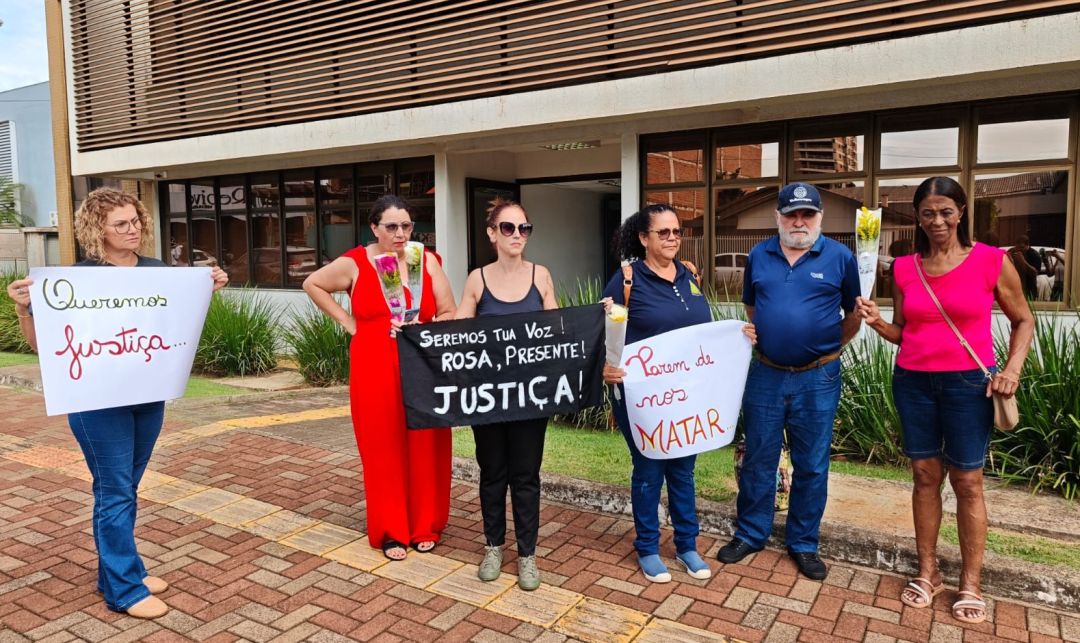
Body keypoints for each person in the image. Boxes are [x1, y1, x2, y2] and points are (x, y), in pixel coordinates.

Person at [5, 187, 229, 619]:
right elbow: (42, 348)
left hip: (147, 396)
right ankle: (124, 590)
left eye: (136, 220)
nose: (133, 229)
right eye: (120, 224)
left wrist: (208, 289)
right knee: (114, 491)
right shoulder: (76, 280)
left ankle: (120, 572)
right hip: (96, 403)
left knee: (126, 487)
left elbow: (173, 321)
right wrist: (24, 309)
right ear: (98, 230)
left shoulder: (157, 271)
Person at [856, 177, 1033, 624]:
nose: (937, 221)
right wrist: (876, 322)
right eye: (928, 213)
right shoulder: (904, 268)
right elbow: (905, 333)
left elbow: (1024, 320)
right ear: (917, 218)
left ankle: (971, 582)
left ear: (961, 213)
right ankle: (928, 572)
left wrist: (1012, 370)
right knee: (923, 476)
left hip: (968, 385)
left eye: (946, 211)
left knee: (968, 481)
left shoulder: (992, 261)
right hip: (913, 382)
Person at [717, 182, 861, 581]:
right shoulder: (758, 255)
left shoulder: (841, 257)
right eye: (791, 214)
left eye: (807, 214)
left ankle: (803, 543)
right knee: (759, 458)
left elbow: (854, 314)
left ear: (819, 217)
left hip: (819, 376)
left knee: (811, 464)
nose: (799, 222)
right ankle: (751, 533)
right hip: (766, 372)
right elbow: (752, 306)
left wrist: (827, 346)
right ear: (778, 217)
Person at [602, 203, 751, 584]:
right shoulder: (627, 280)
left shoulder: (690, 274)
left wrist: (739, 336)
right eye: (663, 232)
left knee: (684, 470)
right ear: (643, 238)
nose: (672, 238)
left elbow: (703, 335)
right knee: (649, 469)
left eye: (677, 232)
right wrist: (607, 366)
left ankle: (687, 545)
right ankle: (648, 548)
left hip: (686, 397)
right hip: (642, 398)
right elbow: (605, 333)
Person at [302, 195, 456, 560]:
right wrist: (348, 321)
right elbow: (312, 284)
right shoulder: (356, 263)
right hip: (375, 366)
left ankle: (425, 524)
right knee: (383, 446)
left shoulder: (425, 260)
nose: (400, 234)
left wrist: (429, 325)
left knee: (426, 442)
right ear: (374, 228)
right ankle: (391, 530)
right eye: (391, 226)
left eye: (406, 226)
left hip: (422, 367)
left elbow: (449, 310)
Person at [455, 198, 558, 591]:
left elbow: (558, 329)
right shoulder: (477, 280)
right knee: (493, 474)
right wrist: (416, 331)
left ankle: (527, 554)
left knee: (526, 476)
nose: (517, 235)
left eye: (524, 228)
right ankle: (494, 546)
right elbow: (456, 332)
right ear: (492, 234)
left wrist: (596, 319)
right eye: (508, 227)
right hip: (489, 397)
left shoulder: (541, 276)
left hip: (530, 396)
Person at [1008, 235, 1041, 300]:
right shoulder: (1013, 251)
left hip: (1029, 288)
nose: (1018, 249)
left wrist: (1022, 261)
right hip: (1015, 288)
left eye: (1021, 247)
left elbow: (1035, 273)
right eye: (1017, 247)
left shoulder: (1034, 255)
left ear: (1027, 245)